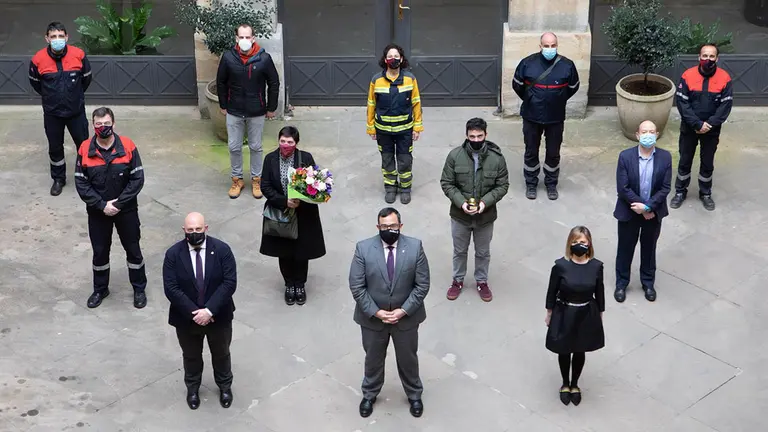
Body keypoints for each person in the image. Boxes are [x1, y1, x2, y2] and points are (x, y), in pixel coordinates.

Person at [349, 207, 430, 418]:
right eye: (384, 226)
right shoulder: (363, 248)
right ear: (378, 227)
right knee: (373, 358)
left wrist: (403, 311)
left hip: (406, 319)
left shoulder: (415, 247)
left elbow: (422, 285)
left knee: (408, 358)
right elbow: (357, 286)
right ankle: (369, 394)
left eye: (393, 226)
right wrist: (377, 312)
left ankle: (414, 394)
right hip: (373, 320)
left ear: (400, 226)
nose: (389, 230)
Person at [163, 212, 237, 410]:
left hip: (218, 317)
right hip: (187, 320)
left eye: (198, 229)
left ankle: (225, 387)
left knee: (221, 353)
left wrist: (210, 311)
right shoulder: (173, 254)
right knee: (191, 356)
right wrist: (195, 313)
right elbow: (171, 288)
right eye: (190, 230)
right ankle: (193, 389)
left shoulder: (222, 250)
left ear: (206, 228)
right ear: (184, 231)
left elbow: (229, 283)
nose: (194, 233)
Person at [74, 107, 146, 309]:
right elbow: (81, 183)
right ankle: (100, 289)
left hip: (127, 210)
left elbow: (137, 179)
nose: (103, 127)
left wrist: (119, 203)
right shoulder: (85, 149)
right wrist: (101, 205)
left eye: (106, 124)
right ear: (93, 125)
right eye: (98, 124)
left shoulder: (128, 146)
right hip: (98, 212)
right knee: (99, 252)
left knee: (133, 249)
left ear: (114, 124)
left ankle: (139, 288)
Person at [440, 117, 509, 302]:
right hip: (459, 216)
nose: (476, 140)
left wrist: (484, 203)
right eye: (472, 136)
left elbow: (502, 186)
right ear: (467, 135)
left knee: (483, 252)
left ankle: (481, 281)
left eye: (480, 136)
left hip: (485, 217)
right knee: (459, 251)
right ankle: (457, 280)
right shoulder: (454, 156)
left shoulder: (497, 159)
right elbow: (447, 183)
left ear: (486, 135)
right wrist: (461, 203)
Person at [260, 126, 326, 305]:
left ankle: (300, 284)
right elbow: (265, 186)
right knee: (284, 251)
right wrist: (284, 201)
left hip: (304, 213)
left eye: (290, 142)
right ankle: (289, 283)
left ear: (296, 143)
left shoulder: (305, 158)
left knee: (302, 251)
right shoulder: (270, 159)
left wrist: (302, 198)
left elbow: (315, 182)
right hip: (281, 212)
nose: (286, 145)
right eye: (282, 141)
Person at [512, 32, 580, 200]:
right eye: (546, 46)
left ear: (557, 46)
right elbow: (517, 85)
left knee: (553, 153)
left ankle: (551, 184)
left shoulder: (567, 65)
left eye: (553, 45)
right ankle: (531, 184)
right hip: (531, 116)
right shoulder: (527, 63)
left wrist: (557, 100)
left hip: (555, 118)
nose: (550, 49)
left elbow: (573, 87)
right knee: (531, 151)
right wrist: (531, 99)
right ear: (540, 46)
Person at [216, 23, 280, 200]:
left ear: (253, 38)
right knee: (234, 146)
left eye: (247, 37)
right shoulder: (228, 57)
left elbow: (273, 83)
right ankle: (237, 179)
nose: (244, 40)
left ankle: (256, 179)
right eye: (241, 37)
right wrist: (223, 104)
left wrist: (271, 107)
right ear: (236, 38)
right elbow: (220, 81)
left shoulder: (264, 58)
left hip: (256, 110)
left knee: (256, 147)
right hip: (234, 109)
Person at [29, 21, 92, 196]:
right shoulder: (38, 59)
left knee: (84, 145)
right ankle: (59, 179)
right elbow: (35, 83)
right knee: (55, 147)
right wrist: (52, 97)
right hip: (52, 113)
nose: (57, 39)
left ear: (67, 37)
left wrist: (74, 97)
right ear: (47, 39)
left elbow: (86, 79)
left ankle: (87, 175)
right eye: (53, 36)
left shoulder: (78, 55)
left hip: (76, 112)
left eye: (60, 36)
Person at [545, 226, 605, 406]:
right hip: (564, 311)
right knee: (564, 349)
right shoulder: (560, 266)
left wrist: (600, 314)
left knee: (580, 349)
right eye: (576, 242)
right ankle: (565, 384)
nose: (580, 245)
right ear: (570, 243)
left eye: (583, 242)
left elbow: (599, 291)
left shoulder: (596, 266)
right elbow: (551, 291)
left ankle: (575, 384)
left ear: (590, 244)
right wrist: (549, 312)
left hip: (586, 312)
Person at [613, 120, 672, 303]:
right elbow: (623, 188)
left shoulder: (665, 157)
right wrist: (640, 207)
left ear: (656, 134)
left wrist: (648, 208)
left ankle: (648, 283)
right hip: (629, 212)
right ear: (638, 135)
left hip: (652, 214)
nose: (648, 134)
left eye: (651, 131)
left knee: (649, 249)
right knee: (625, 248)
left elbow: (665, 188)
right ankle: (621, 283)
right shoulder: (625, 156)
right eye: (644, 131)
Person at [672, 43, 733, 211]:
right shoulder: (687, 75)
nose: (708, 59)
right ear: (699, 57)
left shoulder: (724, 78)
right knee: (684, 160)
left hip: (711, 131)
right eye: (705, 56)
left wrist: (710, 124)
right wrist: (697, 124)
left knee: (707, 162)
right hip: (690, 128)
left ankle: (705, 193)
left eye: (711, 56)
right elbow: (682, 103)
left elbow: (725, 106)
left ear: (717, 59)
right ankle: (680, 192)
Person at [366, 44, 424, 205]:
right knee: (387, 160)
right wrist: (370, 127)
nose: (393, 59)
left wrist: (417, 127)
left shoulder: (410, 79)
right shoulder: (376, 80)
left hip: (405, 130)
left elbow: (416, 103)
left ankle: (405, 189)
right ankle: (390, 188)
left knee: (405, 160)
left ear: (402, 59)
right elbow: (371, 104)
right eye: (390, 56)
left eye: (396, 56)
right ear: (385, 60)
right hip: (383, 130)